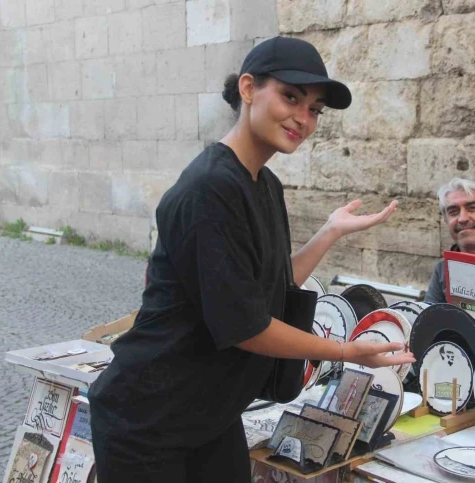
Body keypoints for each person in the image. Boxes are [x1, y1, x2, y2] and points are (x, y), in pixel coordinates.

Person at [88, 36, 415, 483]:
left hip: (209, 413)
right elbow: (247, 326)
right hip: (149, 418)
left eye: (315, 109)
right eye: (291, 97)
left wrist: (329, 232)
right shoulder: (209, 188)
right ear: (248, 89)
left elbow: (274, 289)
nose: (304, 118)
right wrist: (345, 351)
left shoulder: (264, 184)